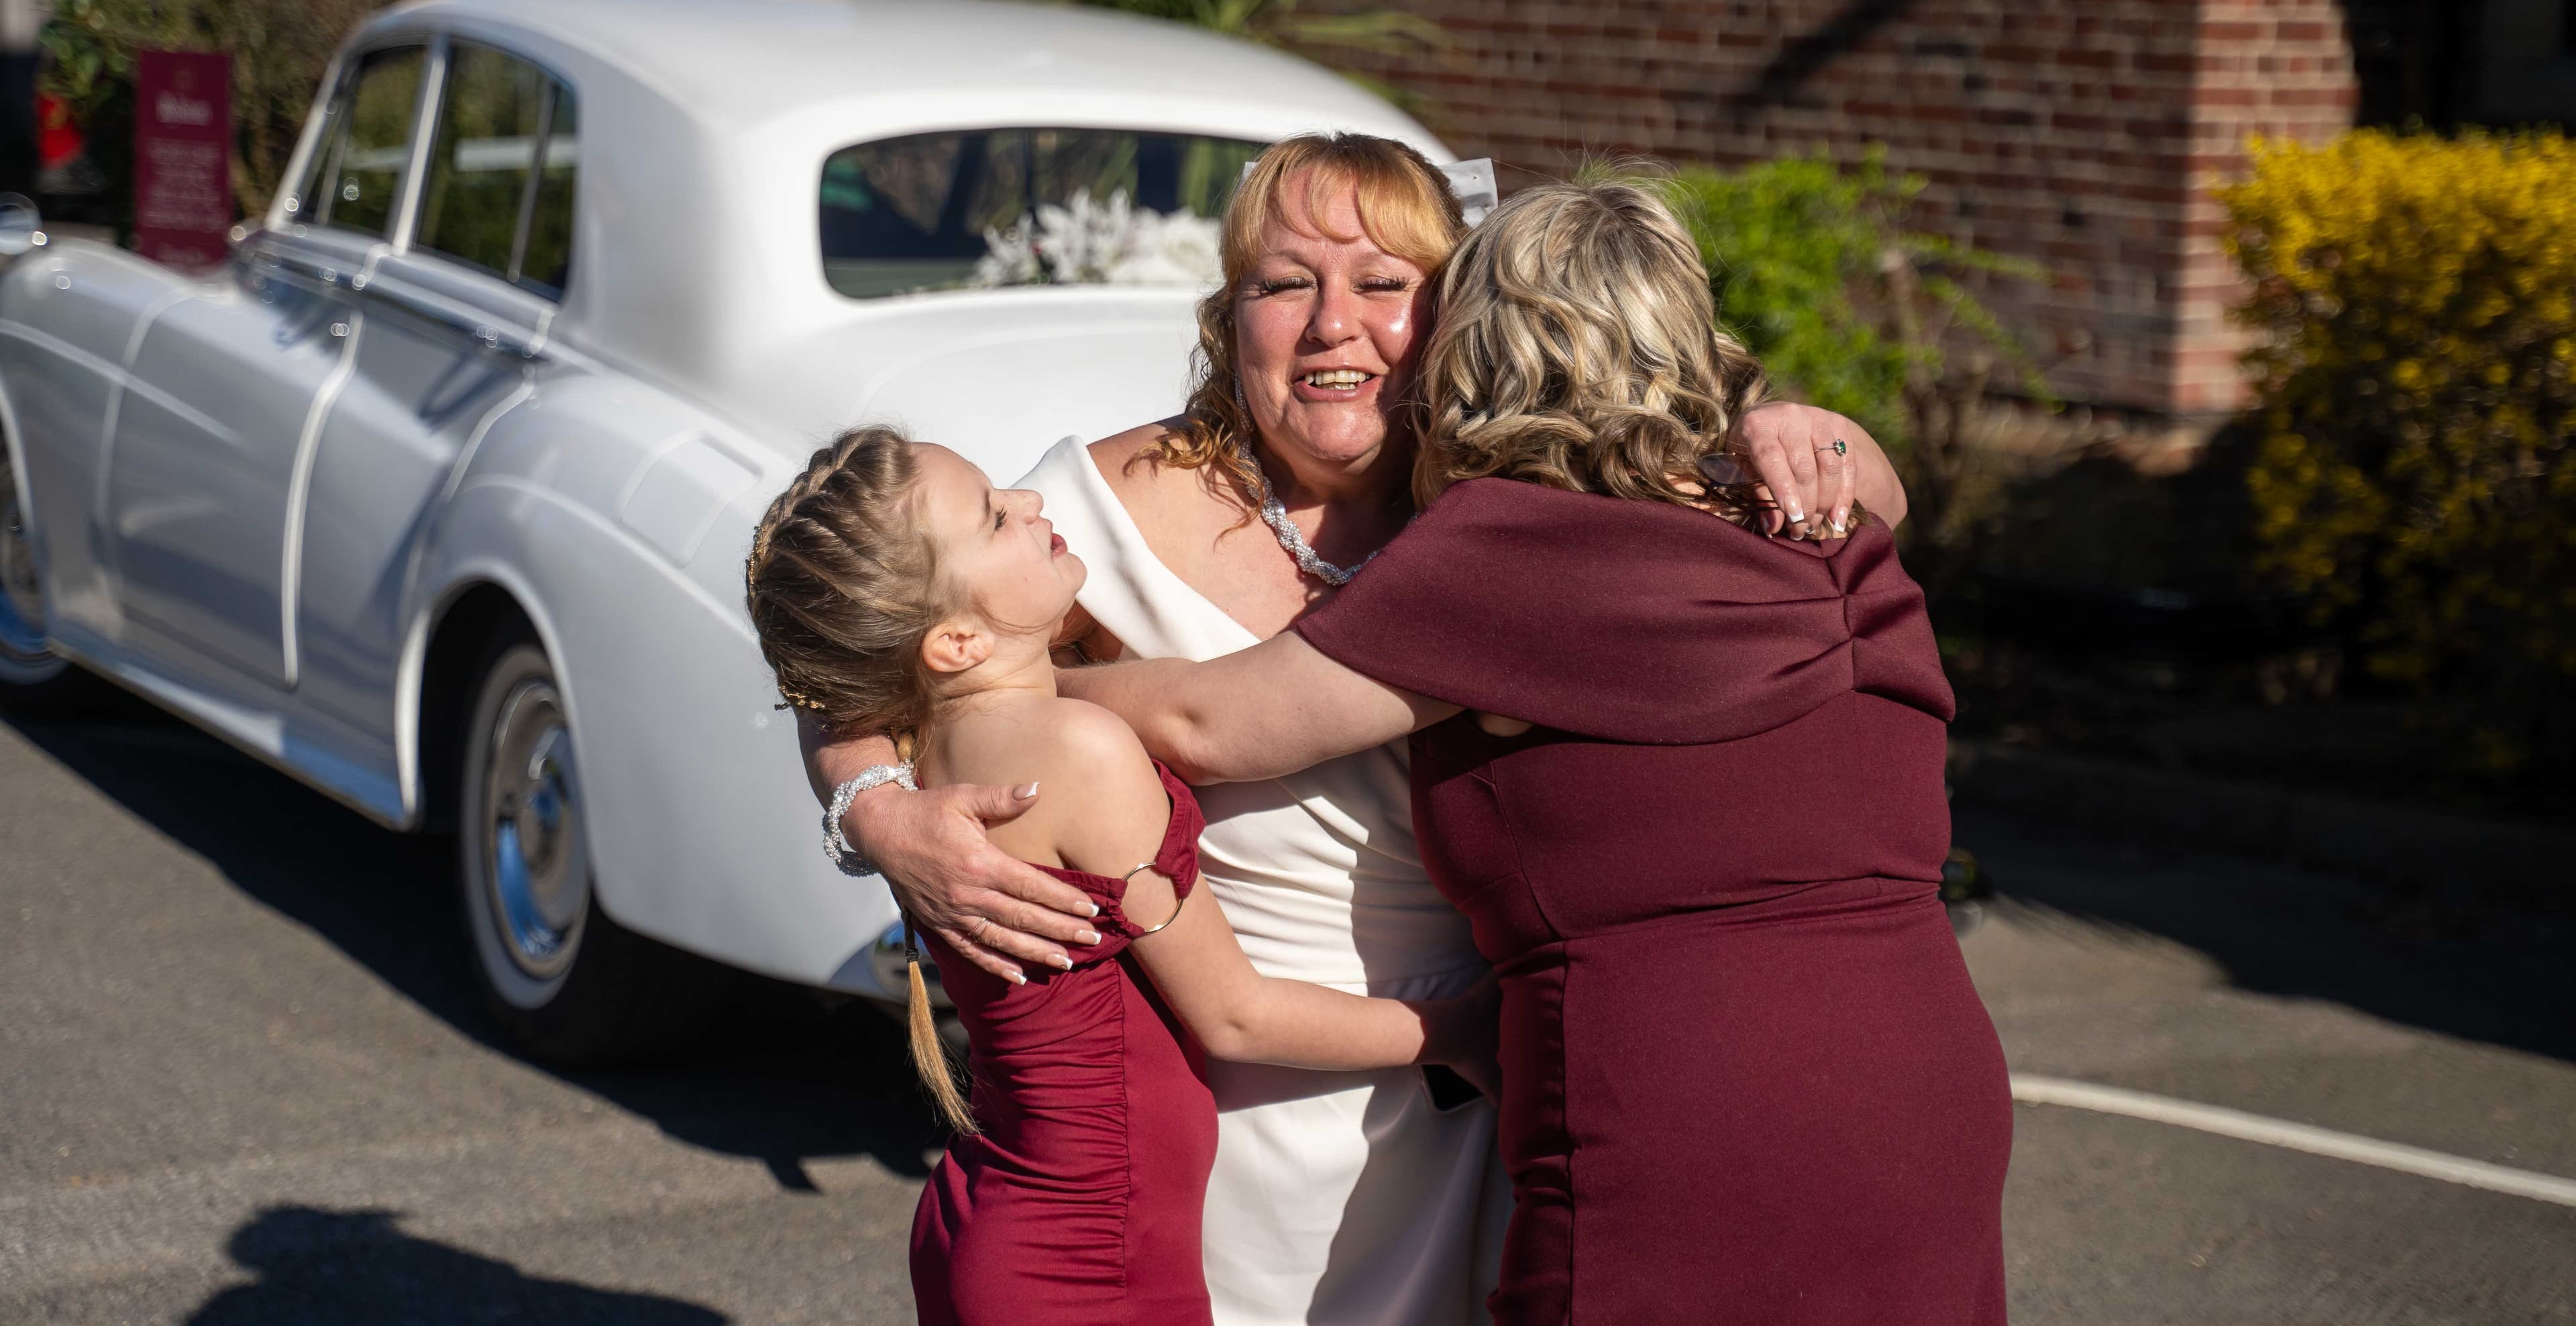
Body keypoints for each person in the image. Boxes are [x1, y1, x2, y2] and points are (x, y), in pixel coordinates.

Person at [812, 134, 1913, 1325]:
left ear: (1461, 314)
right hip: (1235, 1136)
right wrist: (876, 809)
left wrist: (1803, 430)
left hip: (1501, 1106)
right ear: (1229, 316)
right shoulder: (1093, 510)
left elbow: (1855, 511)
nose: (1334, 323)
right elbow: (860, 657)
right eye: (1285, 284)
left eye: (1386, 285)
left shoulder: (1533, 505)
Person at [1059, 182, 2013, 1324]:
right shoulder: (1828, 516)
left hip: (1686, 1114)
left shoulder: (1519, 550)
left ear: (1489, 350)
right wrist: (1800, 424)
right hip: (1934, 1092)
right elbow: (1876, 480)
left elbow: (1208, 726)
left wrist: (1009, 694)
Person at [745, 427, 1499, 1326]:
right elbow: (1235, 1015)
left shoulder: (931, 743)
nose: (1031, 504)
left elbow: (839, 692)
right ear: (950, 640)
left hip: (1000, 1213)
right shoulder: (1079, 752)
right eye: (994, 517)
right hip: (1089, 1257)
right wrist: (1463, 1027)